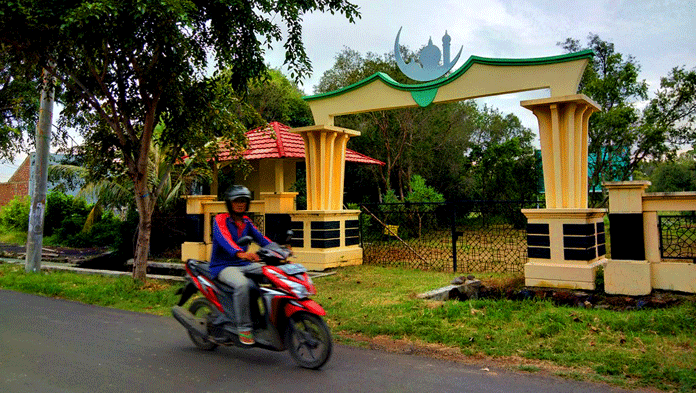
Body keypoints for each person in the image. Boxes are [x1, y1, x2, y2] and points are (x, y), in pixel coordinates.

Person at [209, 185, 271, 345]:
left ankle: (264, 319)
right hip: (223, 266)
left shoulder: (246, 222)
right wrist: (240, 253)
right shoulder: (220, 219)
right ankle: (243, 327)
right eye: (236, 201)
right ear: (230, 203)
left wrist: (279, 250)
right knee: (243, 285)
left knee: (271, 273)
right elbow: (224, 239)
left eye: (243, 201)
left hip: (243, 264)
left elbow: (262, 239)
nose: (240, 204)